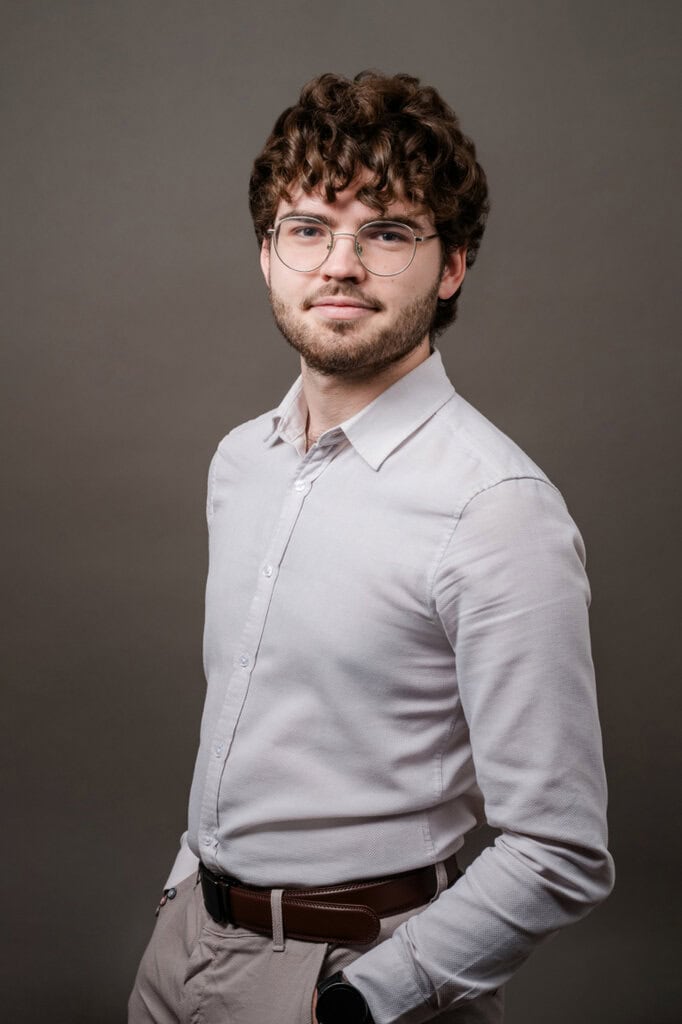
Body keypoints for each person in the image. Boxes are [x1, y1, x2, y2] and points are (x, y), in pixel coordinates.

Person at [128, 70, 614, 1024]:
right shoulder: (241, 462)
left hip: (351, 980)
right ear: (268, 255)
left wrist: (356, 1003)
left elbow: (560, 850)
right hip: (181, 951)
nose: (339, 263)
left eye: (387, 232)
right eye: (308, 228)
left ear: (453, 264)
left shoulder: (495, 507)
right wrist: (185, 888)